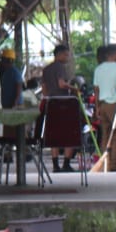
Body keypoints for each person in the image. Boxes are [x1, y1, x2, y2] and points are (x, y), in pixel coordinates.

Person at [92, 43, 116, 172]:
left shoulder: (98, 69)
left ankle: (105, 164)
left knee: (105, 135)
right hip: (115, 104)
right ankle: (113, 165)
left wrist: (97, 107)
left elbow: (96, 89)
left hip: (103, 105)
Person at [41, 44, 77, 172]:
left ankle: (55, 165)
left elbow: (44, 88)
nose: (67, 57)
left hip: (51, 103)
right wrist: (74, 89)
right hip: (63, 103)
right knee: (69, 133)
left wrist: (49, 98)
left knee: (54, 135)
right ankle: (66, 163)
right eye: (66, 55)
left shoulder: (46, 69)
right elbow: (61, 84)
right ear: (59, 54)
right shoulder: (60, 67)